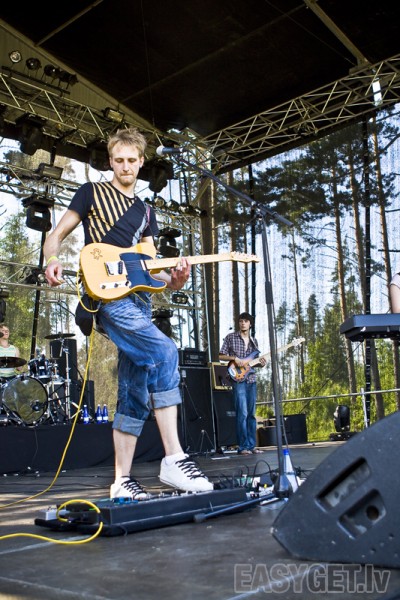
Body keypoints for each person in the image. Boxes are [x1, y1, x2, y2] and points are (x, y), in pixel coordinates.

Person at [44, 127, 213, 499]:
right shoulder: (90, 192)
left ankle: (121, 481)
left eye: (131, 161)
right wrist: (52, 259)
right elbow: (55, 234)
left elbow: (152, 269)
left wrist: (175, 280)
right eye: (118, 160)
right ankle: (174, 458)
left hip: (139, 302)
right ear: (110, 161)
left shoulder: (146, 212)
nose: (125, 167)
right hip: (106, 299)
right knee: (165, 351)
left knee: (134, 389)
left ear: (141, 162)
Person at [219, 312, 266, 455]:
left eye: (245, 321)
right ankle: (243, 446)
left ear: (250, 324)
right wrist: (234, 358)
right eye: (241, 321)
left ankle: (251, 446)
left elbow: (253, 363)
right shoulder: (231, 337)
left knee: (251, 414)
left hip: (251, 379)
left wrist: (261, 363)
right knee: (242, 413)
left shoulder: (254, 341)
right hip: (237, 379)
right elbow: (220, 355)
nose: (243, 323)